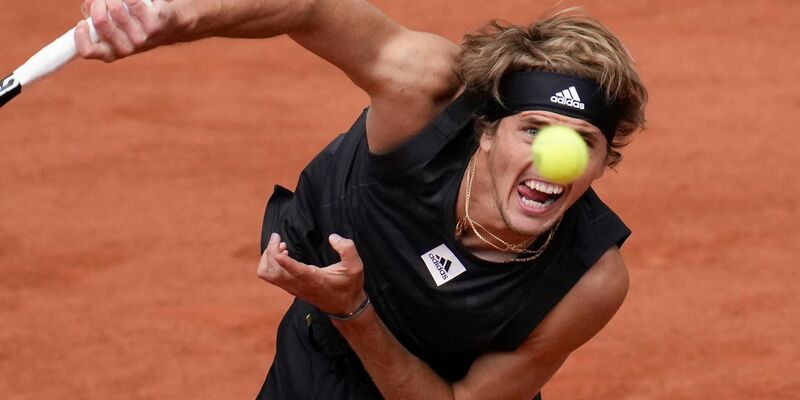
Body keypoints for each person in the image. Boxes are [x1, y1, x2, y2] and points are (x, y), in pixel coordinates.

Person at [76, 0, 648, 398]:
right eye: (534, 130)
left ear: (605, 161)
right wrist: (177, 16)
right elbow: (311, 10)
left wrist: (353, 311)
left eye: (583, 141)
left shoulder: (589, 280)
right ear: (486, 129)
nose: (553, 160)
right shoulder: (426, 96)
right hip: (315, 365)